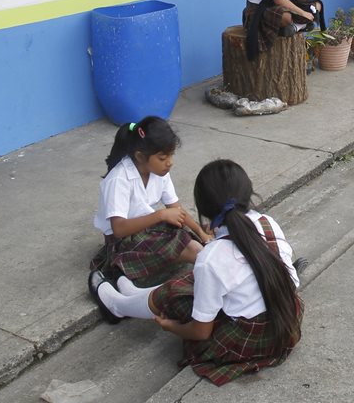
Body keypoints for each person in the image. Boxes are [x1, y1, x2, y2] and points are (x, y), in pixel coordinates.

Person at [89, 159, 302, 385]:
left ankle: (117, 306)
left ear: (204, 209)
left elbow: (200, 332)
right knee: (198, 281)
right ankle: (130, 293)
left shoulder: (212, 257)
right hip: (286, 325)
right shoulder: (266, 222)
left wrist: (173, 327)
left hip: (247, 341)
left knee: (174, 292)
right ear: (248, 193)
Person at [90, 117, 207, 300]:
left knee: (188, 238)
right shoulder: (119, 179)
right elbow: (119, 229)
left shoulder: (160, 172)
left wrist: (200, 231)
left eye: (171, 155)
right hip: (122, 241)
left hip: (149, 229)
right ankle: (121, 273)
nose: (170, 162)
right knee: (193, 250)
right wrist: (161, 215)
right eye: (163, 157)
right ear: (140, 157)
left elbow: (176, 208)